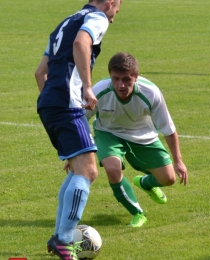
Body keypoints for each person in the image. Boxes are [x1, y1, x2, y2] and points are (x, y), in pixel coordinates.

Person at [35, 1, 122, 259]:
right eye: (118, 8)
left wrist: (54, 101)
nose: (115, 17)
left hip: (50, 103)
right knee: (88, 171)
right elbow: (81, 43)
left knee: (78, 169)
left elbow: (40, 73)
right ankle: (63, 239)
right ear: (110, 2)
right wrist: (86, 86)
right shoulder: (97, 18)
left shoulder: (65, 22)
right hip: (67, 102)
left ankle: (59, 236)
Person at [85, 52, 188, 228]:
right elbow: (80, 118)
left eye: (126, 79)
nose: (121, 85)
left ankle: (145, 183)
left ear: (136, 77)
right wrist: (78, 151)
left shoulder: (151, 93)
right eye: (116, 79)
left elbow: (169, 129)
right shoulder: (99, 90)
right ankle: (138, 213)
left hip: (143, 135)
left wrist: (178, 161)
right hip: (108, 133)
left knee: (169, 179)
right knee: (112, 168)